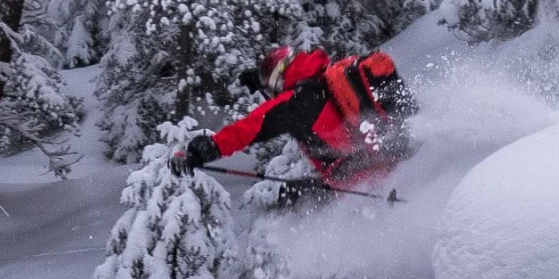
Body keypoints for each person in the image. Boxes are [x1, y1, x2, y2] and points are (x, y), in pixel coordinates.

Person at [169, 46, 417, 201]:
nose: (273, 94)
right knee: (301, 192)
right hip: (380, 157)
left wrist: (205, 149)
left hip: (359, 176)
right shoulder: (321, 82)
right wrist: (259, 78)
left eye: (272, 87)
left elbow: (250, 127)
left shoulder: (295, 103)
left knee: (293, 200)